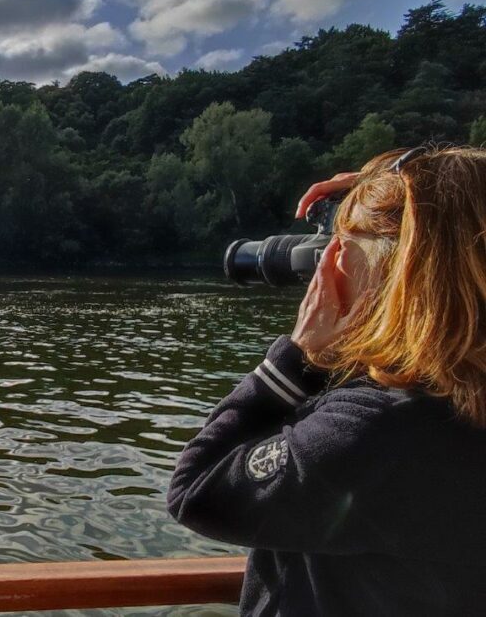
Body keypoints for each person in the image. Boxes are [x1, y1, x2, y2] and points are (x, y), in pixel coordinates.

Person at [167, 146, 486, 616]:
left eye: (340, 247)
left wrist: (300, 353)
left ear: (394, 276)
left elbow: (196, 491)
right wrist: (415, 190)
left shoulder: (377, 431)